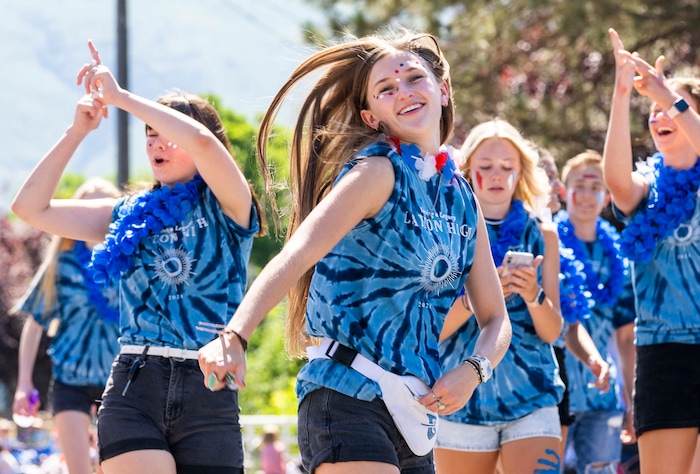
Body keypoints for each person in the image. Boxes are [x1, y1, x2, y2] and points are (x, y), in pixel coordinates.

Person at [198, 29, 512, 474]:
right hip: (346, 396)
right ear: (372, 118)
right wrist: (235, 335)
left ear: (442, 90)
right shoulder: (376, 172)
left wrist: (474, 369)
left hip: (415, 415)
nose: (403, 91)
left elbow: (496, 319)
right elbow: (298, 253)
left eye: (413, 79)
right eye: (386, 89)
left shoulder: (462, 197)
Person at [11, 40, 263, 474]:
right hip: (134, 384)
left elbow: (202, 142)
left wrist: (122, 98)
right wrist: (78, 131)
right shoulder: (124, 213)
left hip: (208, 389)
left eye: (167, 134)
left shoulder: (229, 205)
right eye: (149, 136)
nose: (156, 144)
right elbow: (30, 208)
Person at [434, 119, 564, 474]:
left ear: (520, 172)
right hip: (461, 400)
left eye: (507, 167)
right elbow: (433, 331)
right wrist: (482, 298)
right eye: (486, 167)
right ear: (466, 172)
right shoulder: (445, 232)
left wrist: (531, 293)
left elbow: (553, 333)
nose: (496, 175)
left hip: (532, 397)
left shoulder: (543, 235)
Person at [603, 28, 700, 473]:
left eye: (673, 109)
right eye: (655, 110)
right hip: (663, 352)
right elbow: (617, 182)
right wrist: (624, 96)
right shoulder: (647, 188)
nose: (661, 115)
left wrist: (668, 93)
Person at [11, 177, 121, 474]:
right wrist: (23, 384)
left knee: (112, 466)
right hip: (70, 379)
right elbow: (34, 325)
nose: (94, 217)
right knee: (79, 469)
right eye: (86, 208)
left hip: (120, 382)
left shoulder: (131, 263)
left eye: (104, 210)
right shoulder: (62, 263)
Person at [554, 150, 636, 474]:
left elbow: (626, 337)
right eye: (579, 186)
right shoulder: (546, 242)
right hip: (556, 389)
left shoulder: (619, 256)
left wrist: (630, 398)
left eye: (595, 187)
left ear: (607, 197)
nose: (587, 195)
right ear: (563, 191)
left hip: (603, 397)